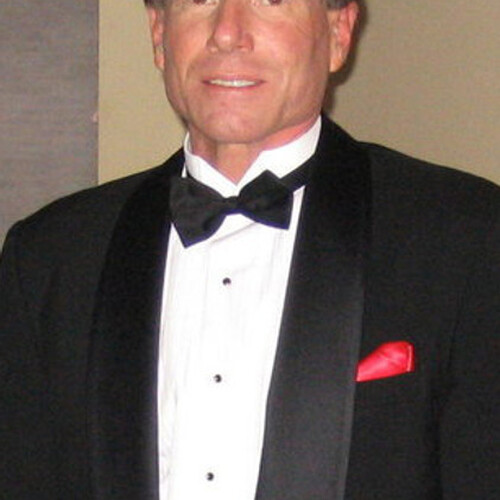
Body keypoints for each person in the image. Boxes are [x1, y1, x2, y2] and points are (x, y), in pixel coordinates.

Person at [1, 0, 498, 498]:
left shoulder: (467, 240)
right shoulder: (48, 258)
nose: (227, 32)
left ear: (339, 32)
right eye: (200, 0)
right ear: (158, 31)